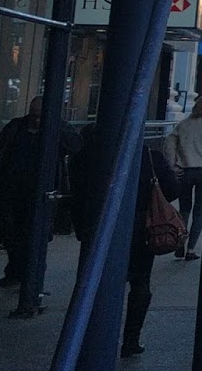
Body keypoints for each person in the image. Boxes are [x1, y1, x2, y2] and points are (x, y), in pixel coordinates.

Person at [71, 125, 179, 357]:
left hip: (96, 227)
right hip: (139, 228)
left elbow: (77, 195)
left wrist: (80, 228)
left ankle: (91, 337)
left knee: (96, 281)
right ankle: (131, 339)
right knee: (140, 282)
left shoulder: (86, 157)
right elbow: (171, 189)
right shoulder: (147, 156)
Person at [0, 97, 74, 288]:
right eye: (34, 116)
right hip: (13, 190)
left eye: (40, 117)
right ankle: (15, 272)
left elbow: (75, 146)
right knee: (11, 234)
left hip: (39, 193)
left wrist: (57, 127)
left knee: (34, 234)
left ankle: (29, 275)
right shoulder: (16, 128)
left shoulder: (54, 130)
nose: (36, 120)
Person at [165, 94, 202, 260]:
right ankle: (191, 249)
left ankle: (180, 243)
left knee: (184, 209)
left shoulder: (184, 124)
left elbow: (169, 143)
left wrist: (172, 165)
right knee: (199, 211)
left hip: (186, 171)